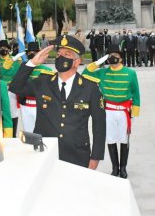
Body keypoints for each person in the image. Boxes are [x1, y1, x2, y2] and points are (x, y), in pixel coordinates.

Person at [9, 35, 106, 168]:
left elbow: (99, 125)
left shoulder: (90, 88)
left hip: (77, 155)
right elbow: (15, 87)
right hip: (45, 153)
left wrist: (95, 157)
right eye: (59, 53)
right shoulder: (43, 82)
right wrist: (32, 63)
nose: (61, 57)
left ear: (77, 62)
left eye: (67, 54)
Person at [83, 44, 140, 178]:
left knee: (124, 140)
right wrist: (98, 63)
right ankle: (115, 167)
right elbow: (85, 74)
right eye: (110, 56)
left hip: (124, 111)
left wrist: (135, 111)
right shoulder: (102, 72)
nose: (113, 58)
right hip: (108, 111)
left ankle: (123, 167)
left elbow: (136, 93)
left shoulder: (130, 73)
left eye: (116, 56)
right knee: (111, 139)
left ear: (121, 58)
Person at [13, 41, 52, 133]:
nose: (31, 53)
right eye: (29, 52)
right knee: (28, 131)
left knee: (41, 131)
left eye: (34, 52)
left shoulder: (47, 70)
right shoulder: (23, 68)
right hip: (25, 104)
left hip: (39, 105)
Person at [0, 40, 23, 137]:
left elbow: (18, 74)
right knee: (0, 112)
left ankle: (12, 134)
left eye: (5, 48)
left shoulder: (16, 60)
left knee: (12, 112)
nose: (3, 49)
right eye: (1, 48)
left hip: (11, 90)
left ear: (9, 49)